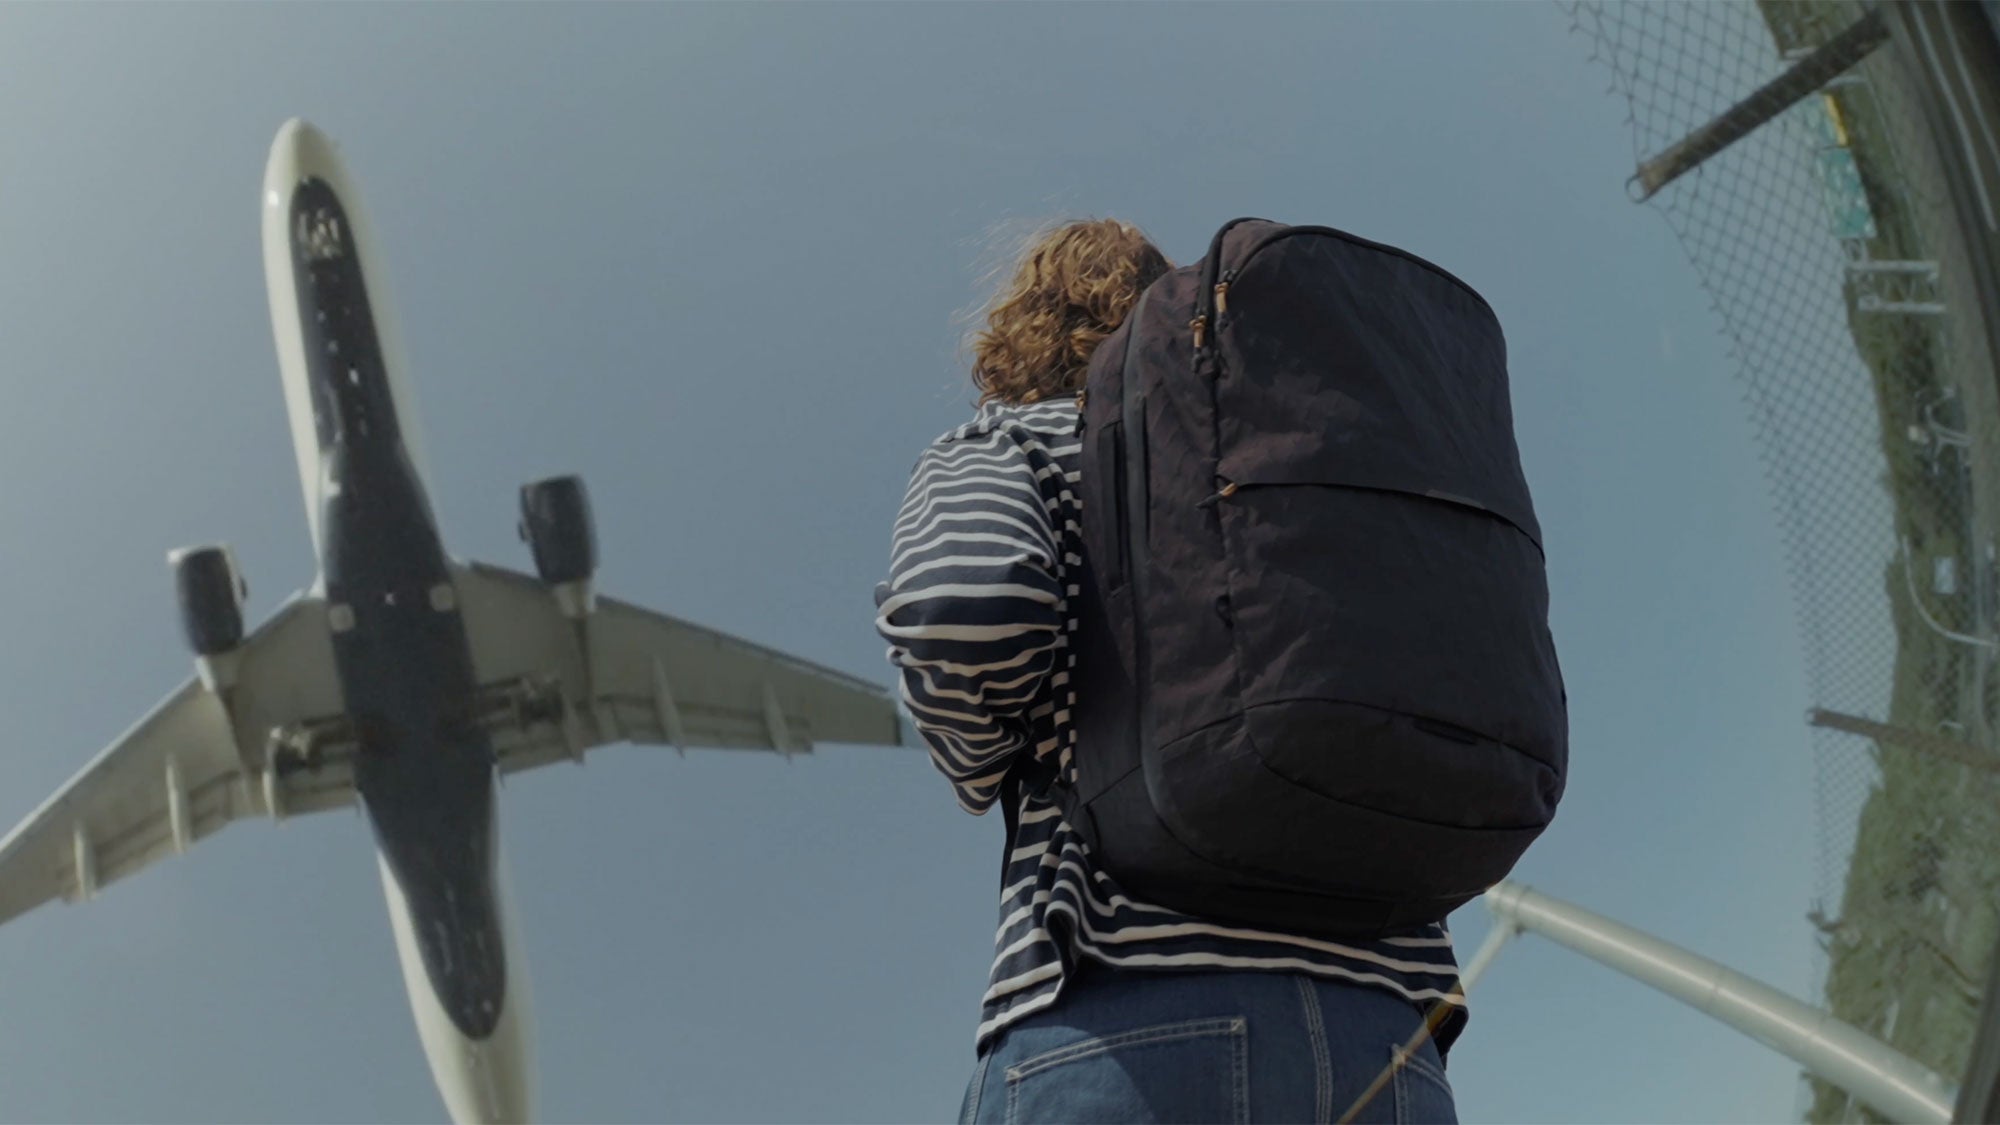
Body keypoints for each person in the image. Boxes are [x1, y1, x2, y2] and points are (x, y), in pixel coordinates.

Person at [875, 218, 1464, 1124]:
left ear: (1025, 327)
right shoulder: (1292, 461)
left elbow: (964, 607)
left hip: (1126, 1018)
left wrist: (978, 753)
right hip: (1387, 1038)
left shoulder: (1015, 439)